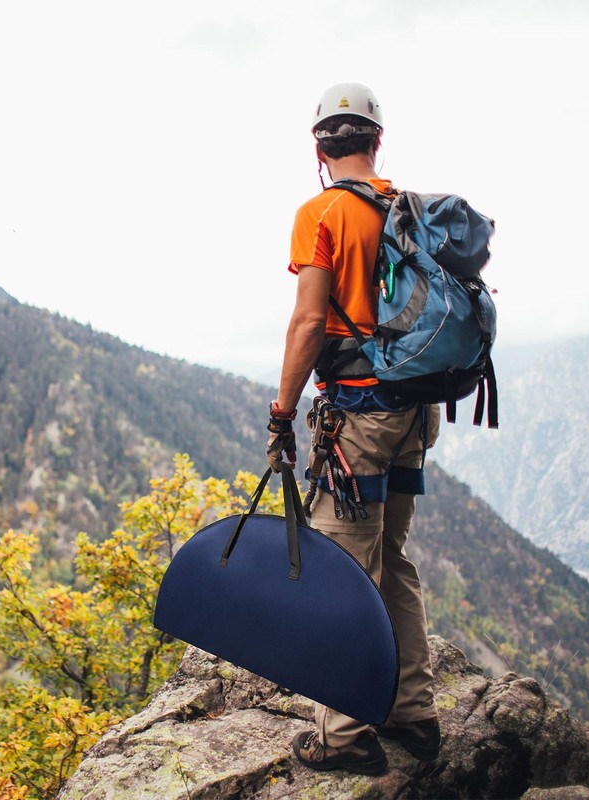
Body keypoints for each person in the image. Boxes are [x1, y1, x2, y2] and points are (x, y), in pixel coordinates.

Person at [266, 82, 442, 775]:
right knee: (393, 559)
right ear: (376, 143)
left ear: (319, 148)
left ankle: (342, 737)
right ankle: (415, 714)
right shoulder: (409, 210)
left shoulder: (323, 212)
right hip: (414, 412)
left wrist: (282, 414)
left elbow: (310, 321)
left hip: (358, 419)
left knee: (346, 572)